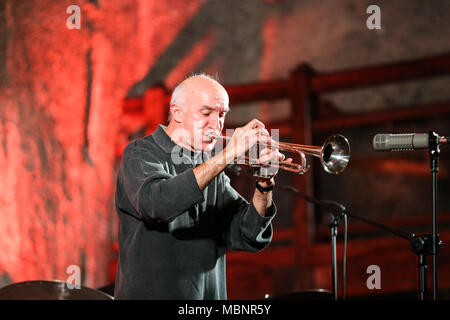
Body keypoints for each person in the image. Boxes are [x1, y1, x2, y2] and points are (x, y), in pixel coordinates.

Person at [114, 74, 288, 299]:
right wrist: (226, 155)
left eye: (222, 115)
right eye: (206, 113)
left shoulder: (212, 170)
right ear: (177, 112)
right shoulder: (140, 153)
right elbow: (157, 203)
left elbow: (249, 234)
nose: (216, 125)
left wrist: (265, 183)